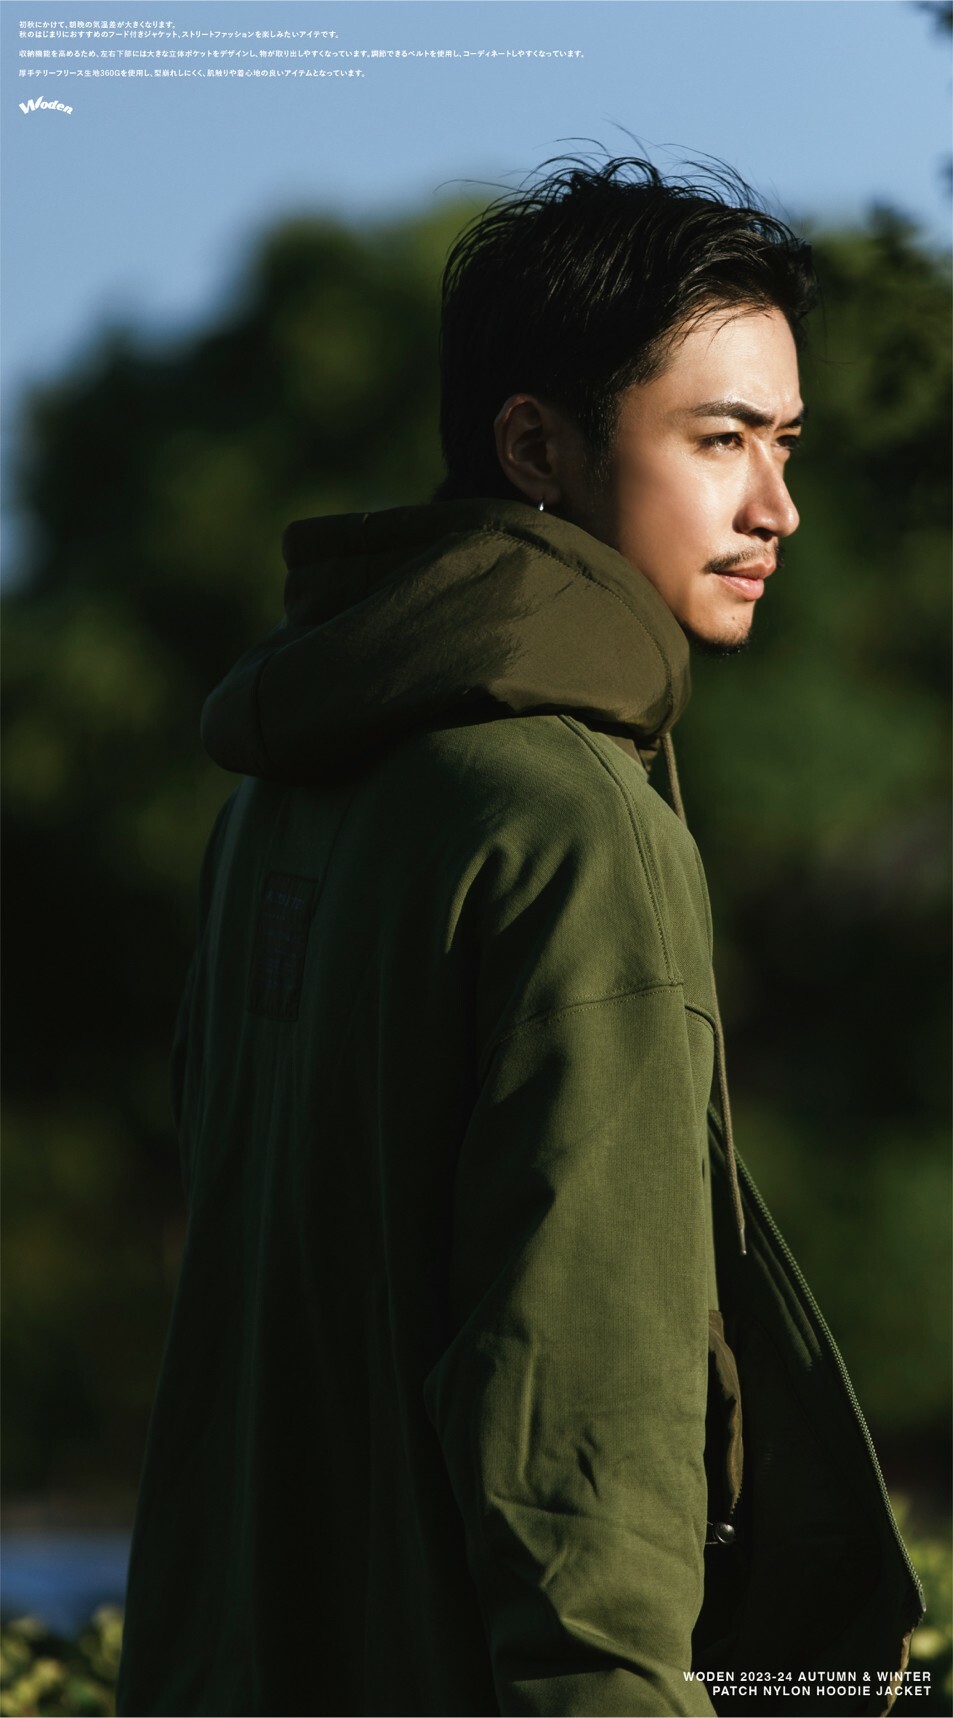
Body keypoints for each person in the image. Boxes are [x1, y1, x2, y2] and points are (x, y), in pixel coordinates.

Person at [117, 158, 923, 1718]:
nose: (776, 506)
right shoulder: (568, 819)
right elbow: (579, 1406)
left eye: (783, 444)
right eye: (719, 440)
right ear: (535, 446)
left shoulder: (282, 797)